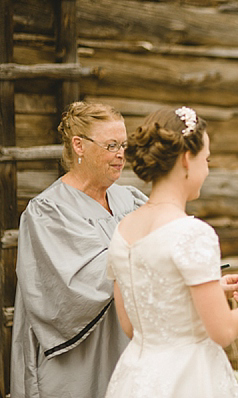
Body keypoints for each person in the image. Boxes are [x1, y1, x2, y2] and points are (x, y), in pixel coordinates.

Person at [104, 106, 238, 397]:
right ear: (187, 160)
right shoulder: (192, 233)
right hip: (190, 378)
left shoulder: (123, 231)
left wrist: (212, 291)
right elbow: (223, 332)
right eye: (206, 159)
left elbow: (131, 324)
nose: (207, 169)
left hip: (137, 377)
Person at [11, 102, 147, 398]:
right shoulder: (48, 212)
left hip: (127, 348)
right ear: (79, 145)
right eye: (111, 145)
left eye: (123, 145)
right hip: (78, 359)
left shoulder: (131, 200)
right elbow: (70, 289)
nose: (121, 154)